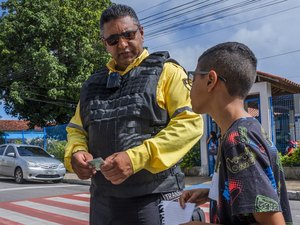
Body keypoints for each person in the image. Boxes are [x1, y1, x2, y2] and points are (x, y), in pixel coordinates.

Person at [64, 4, 203, 225]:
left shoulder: (168, 72)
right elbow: (76, 130)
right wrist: (76, 152)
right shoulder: (91, 84)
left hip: (154, 197)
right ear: (105, 44)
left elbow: (190, 124)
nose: (123, 44)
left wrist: (136, 157)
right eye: (113, 40)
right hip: (102, 201)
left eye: (129, 35)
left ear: (141, 32)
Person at [179, 42, 293, 225]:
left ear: (210, 80)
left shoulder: (237, 140)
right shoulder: (247, 129)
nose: (190, 88)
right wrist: (212, 193)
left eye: (193, 80)